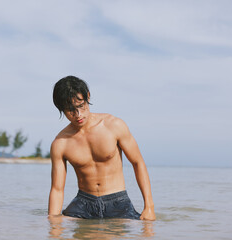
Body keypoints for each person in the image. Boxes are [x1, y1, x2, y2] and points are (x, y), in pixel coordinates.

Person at [48, 76, 155, 220]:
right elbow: (57, 189)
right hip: (83, 204)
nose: (78, 114)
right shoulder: (60, 143)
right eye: (70, 110)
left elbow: (138, 163)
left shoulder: (113, 125)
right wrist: (53, 222)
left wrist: (149, 207)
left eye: (81, 106)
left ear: (88, 97)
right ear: (61, 109)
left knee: (144, 228)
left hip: (118, 202)